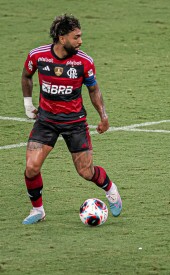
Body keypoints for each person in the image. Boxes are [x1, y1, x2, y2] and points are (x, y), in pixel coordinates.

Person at [21, 14, 122, 224]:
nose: (80, 41)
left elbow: (94, 89)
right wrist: (28, 104)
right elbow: (26, 76)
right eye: (76, 37)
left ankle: (110, 188)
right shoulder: (37, 56)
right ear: (61, 37)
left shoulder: (84, 61)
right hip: (46, 120)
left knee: (86, 172)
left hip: (74, 122)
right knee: (31, 168)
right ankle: (38, 210)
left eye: (80, 36)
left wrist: (104, 116)